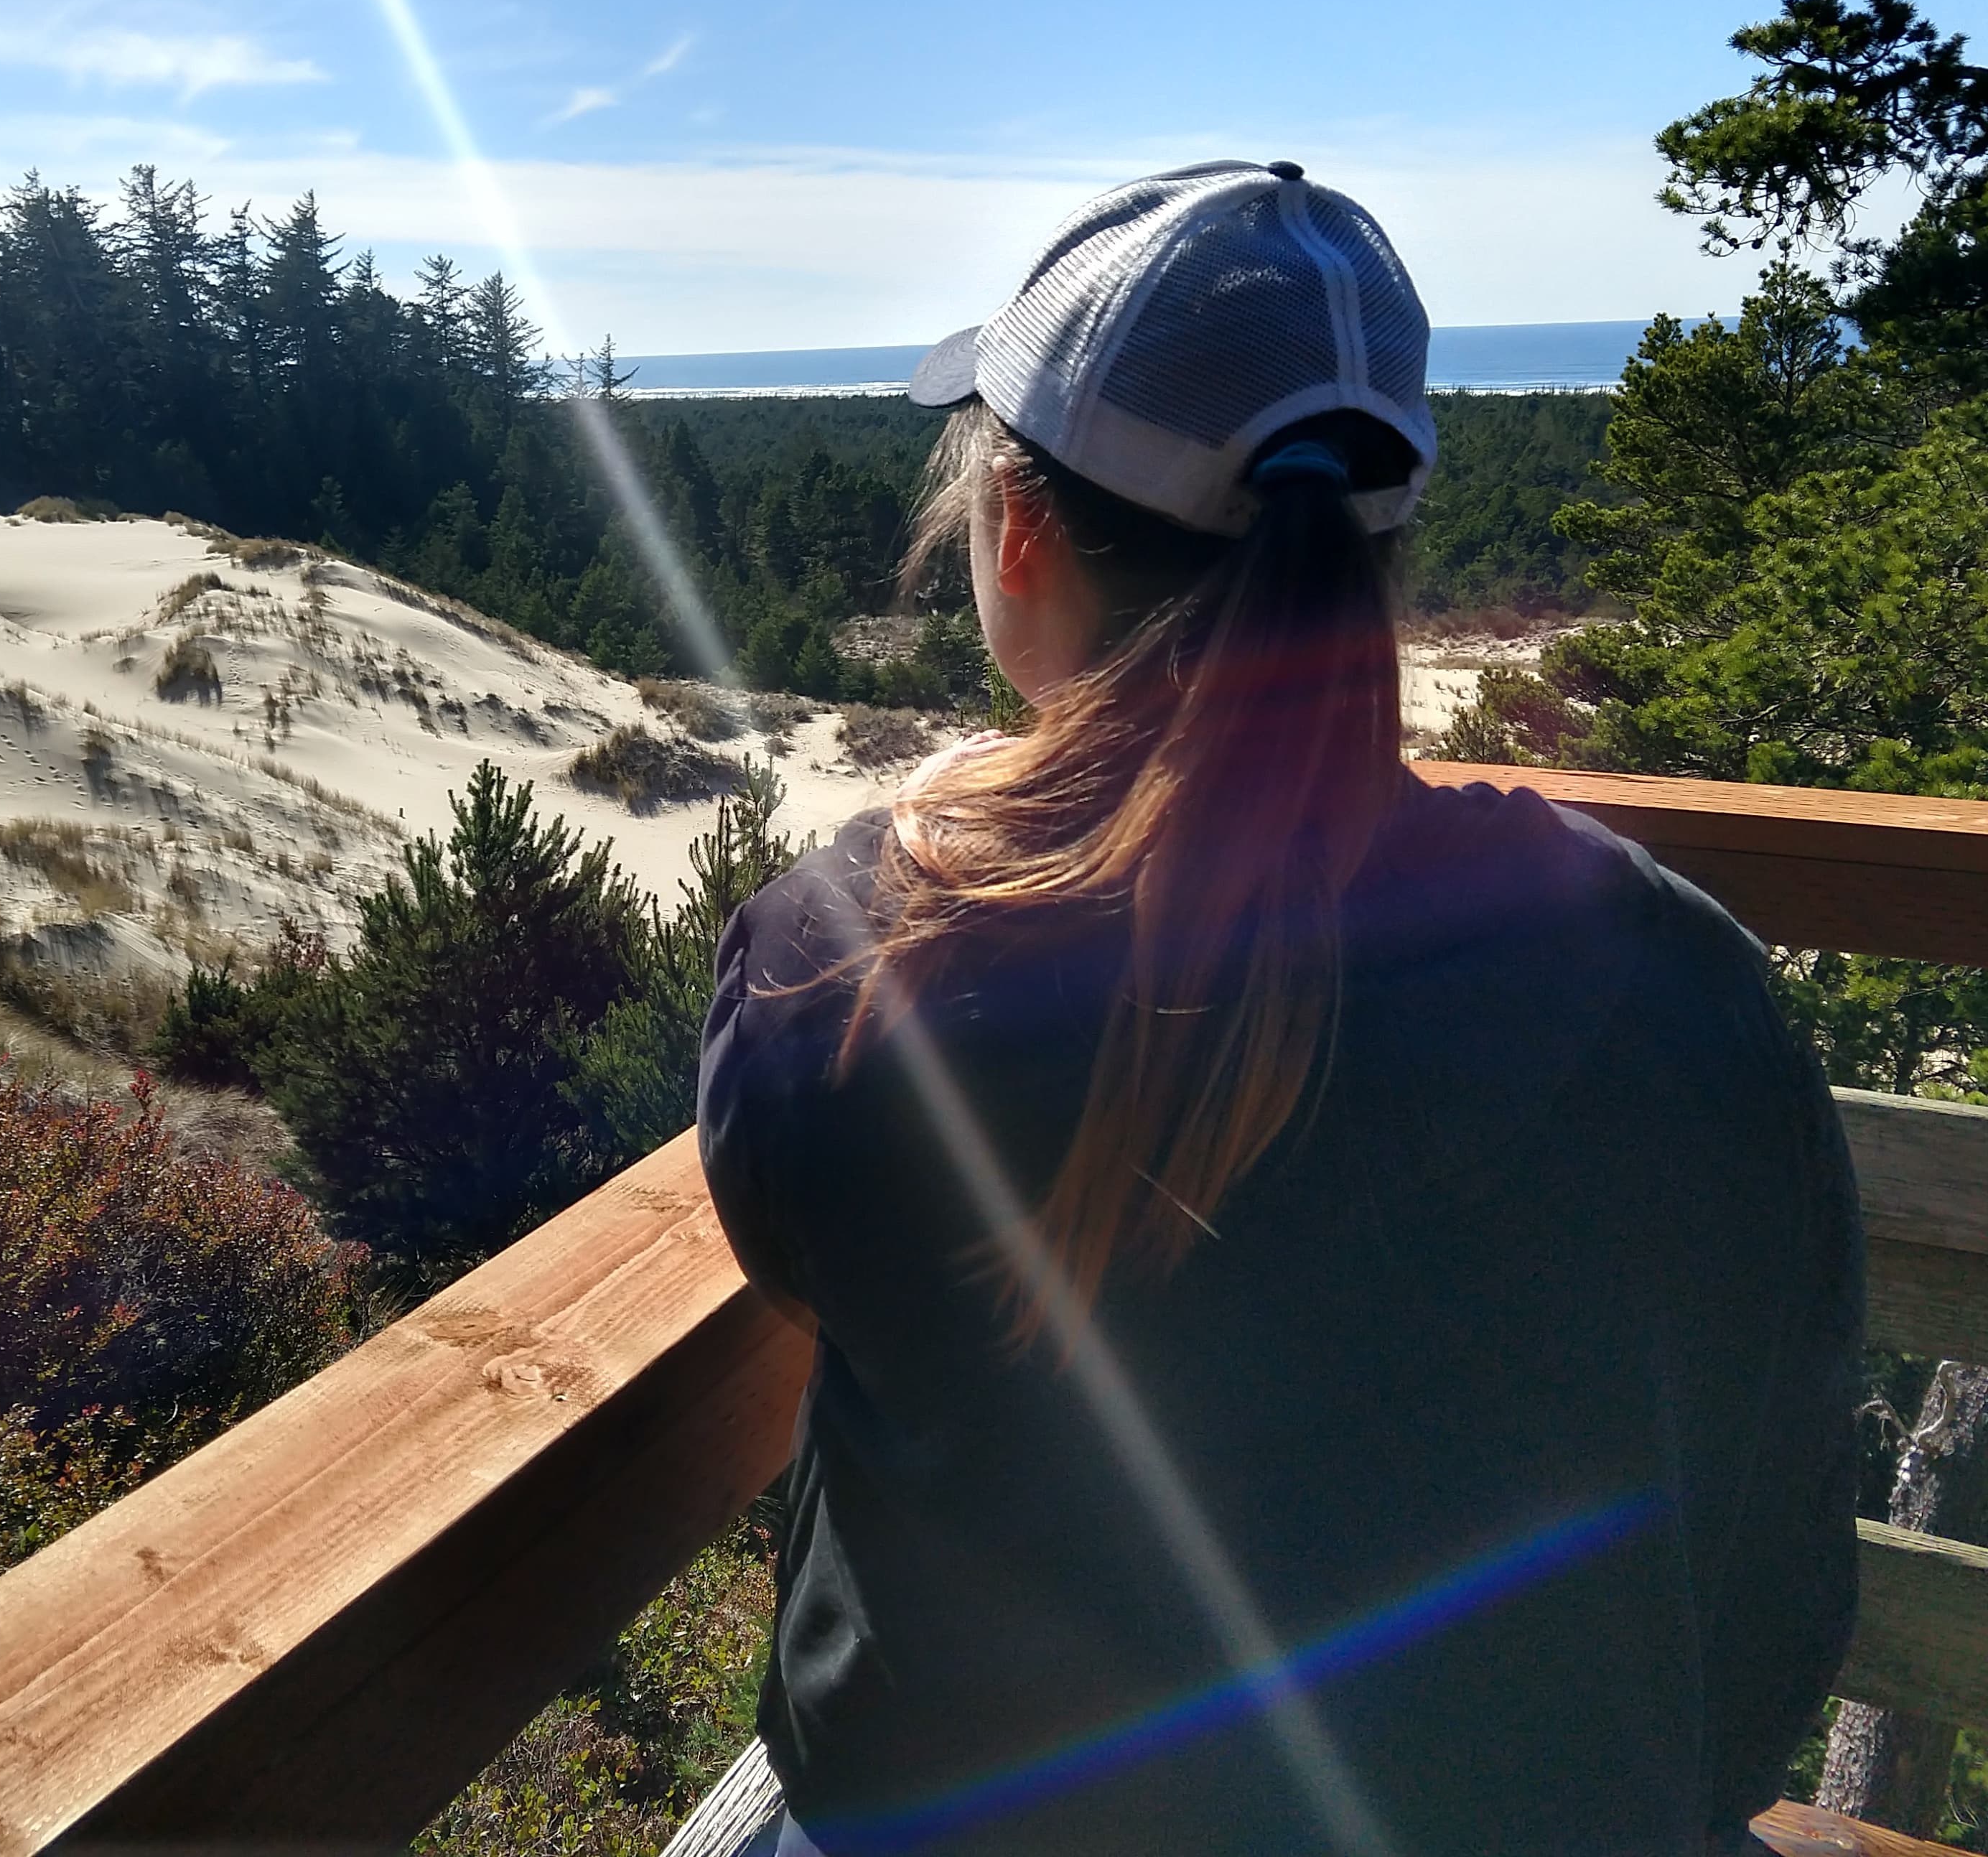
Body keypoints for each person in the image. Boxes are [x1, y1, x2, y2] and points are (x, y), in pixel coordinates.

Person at [697, 162, 1862, 1857]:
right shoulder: (1672, 977)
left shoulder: (838, 963)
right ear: (1379, 545)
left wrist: (940, 837)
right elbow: (1769, 1578)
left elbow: (811, 1258)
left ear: (1017, 530)